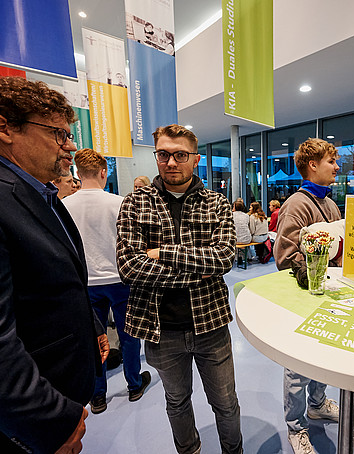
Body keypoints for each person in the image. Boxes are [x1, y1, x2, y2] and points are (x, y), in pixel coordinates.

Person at [116, 124, 242, 454]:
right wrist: (198, 267)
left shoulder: (216, 203)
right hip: (161, 329)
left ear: (195, 159)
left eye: (180, 155)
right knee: (177, 402)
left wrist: (165, 253)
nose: (171, 162)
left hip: (211, 325)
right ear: (156, 156)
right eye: (163, 154)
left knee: (226, 404)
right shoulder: (134, 203)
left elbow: (225, 258)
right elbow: (129, 267)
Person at [0, 76, 108, 454]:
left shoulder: (42, 194)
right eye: (58, 134)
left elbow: (63, 279)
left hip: (64, 376)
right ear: (6, 128)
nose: (70, 147)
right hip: (31, 415)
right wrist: (49, 421)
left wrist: (93, 325)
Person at [63, 148, 151, 415]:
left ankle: (98, 395)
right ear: (104, 172)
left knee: (94, 339)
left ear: (78, 173)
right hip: (119, 279)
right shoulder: (120, 202)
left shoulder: (64, 206)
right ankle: (134, 385)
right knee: (128, 335)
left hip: (86, 282)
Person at [274, 138, 341, 454]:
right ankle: (296, 428)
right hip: (303, 297)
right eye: (331, 161)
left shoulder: (330, 204)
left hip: (327, 295)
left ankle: (317, 404)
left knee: (324, 356)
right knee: (298, 367)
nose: (337, 166)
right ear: (313, 165)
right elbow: (285, 254)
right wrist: (311, 272)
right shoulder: (298, 204)